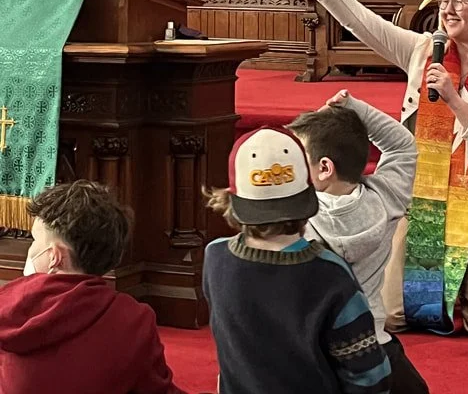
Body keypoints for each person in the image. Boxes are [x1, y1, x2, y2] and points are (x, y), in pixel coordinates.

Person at [273, 0, 468, 340]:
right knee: (394, 314)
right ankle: (457, 279)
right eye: (444, 0)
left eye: (459, 1)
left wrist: (457, 102)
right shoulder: (422, 51)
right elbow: (361, 22)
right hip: (420, 208)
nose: (447, 9)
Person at [203, 125, 391, 394]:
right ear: (308, 198)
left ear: (234, 199)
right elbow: (369, 375)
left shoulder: (215, 257)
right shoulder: (330, 273)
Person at [289, 91, 429, 394]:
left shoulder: (294, 217)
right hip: (373, 342)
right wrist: (352, 108)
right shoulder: (387, 198)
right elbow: (403, 144)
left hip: (313, 354)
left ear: (324, 168)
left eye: (298, 159)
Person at [0, 180, 186, 394]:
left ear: (54, 257)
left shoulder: (6, 305)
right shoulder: (134, 319)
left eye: (34, 240)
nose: (30, 249)